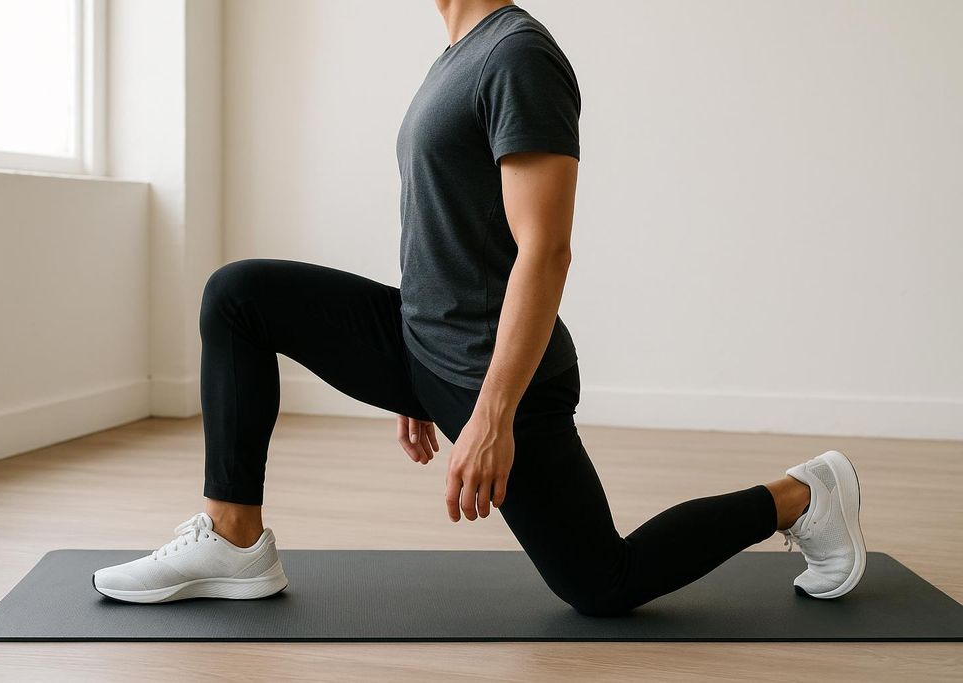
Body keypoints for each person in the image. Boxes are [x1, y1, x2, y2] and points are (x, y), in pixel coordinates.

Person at [92, 0, 866, 612]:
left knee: (602, 583)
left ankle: (803, 493)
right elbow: (448, 225)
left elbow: (545, 250)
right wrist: (408, 361)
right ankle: (233, 537)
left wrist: (491, 415)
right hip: (426, 344)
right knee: (239, 296)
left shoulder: (518, 57)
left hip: (492, 372)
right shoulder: (456, 58)